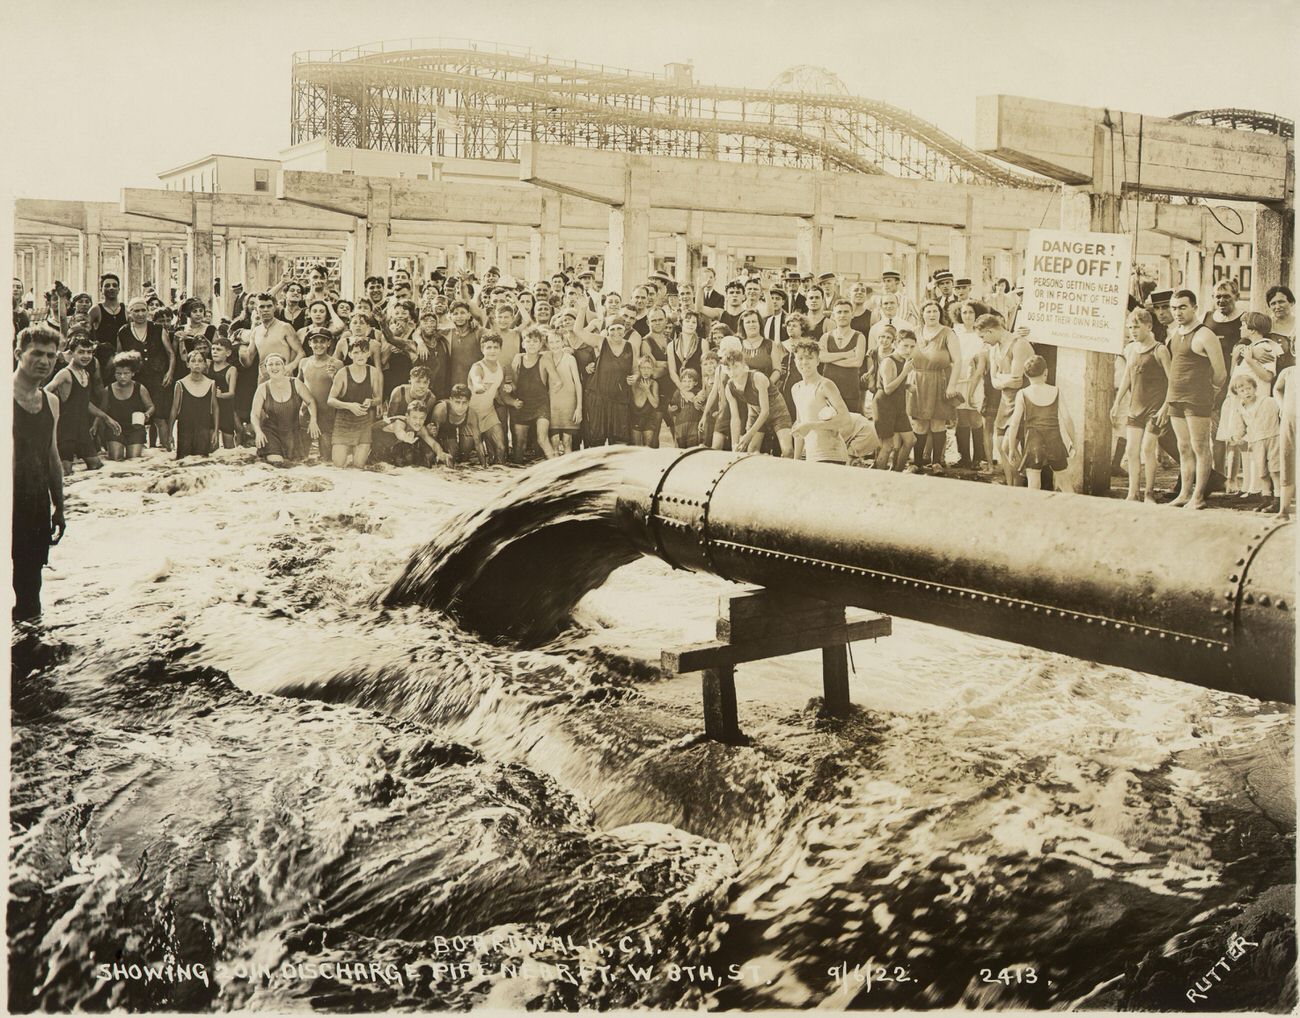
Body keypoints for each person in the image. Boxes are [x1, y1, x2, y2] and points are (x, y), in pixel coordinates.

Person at [13, 326, 66, 621]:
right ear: (19, 354)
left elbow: (52, 456)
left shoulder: (51, 402)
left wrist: (59, 505)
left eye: (51, 355)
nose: (44, 361)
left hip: (35, 505)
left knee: (30, 589)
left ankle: (31, 654)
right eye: (37, 354)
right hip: (7, 502)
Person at [1159, 289, 1228, 510]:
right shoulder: (1174, 334)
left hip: (1197, 399)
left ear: (1194, 307)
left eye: (1182, 307)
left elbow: (1221, 373)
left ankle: (1198, 497)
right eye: (1174, 308)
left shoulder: (1204, 334)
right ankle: (1184, 494)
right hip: (1176, 398)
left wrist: (1211, 394)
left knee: (1200, 447)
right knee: (1183, 448)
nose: (1177, 312)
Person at [1112, 309, 1171, 502]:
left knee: (1147, 448)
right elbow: (1127, 378)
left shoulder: (1160, 350)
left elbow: (1172, 381)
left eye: (1136, 327)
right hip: (1135, 407)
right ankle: (1133, 491)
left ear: (1149, 326)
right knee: (1131, 450)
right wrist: (1117, 402)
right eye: (1130, 328)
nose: (1133, 331)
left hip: (1154, 407)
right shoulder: (1130, 349)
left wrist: (1166, 407)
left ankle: (1149, 492)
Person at [978, 312, 1036, 487]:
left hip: (1022, 402)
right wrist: (1004, 379)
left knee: (1008, 447)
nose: (983, 341)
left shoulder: (1019, 344)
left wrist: (1001, 379)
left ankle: (1022, 485)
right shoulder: (994, 348)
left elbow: (1017, 380)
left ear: (990, 331)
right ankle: (1011, 485)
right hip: (1005, 401)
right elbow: (994, 381)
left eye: (983, 336)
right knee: (1000, 446)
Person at [44, 332, 116, 472]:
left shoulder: (86, 374)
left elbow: (84, 403)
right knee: (65, 473)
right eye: (81, 352)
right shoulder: (65, 373)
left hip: (82, 430)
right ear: (71, 353)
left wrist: (106, 417)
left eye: (89, 352)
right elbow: (45, 392)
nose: (86, 356)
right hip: (65, 431)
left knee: (97, 467)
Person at [907, 301, 963, 473]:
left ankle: (937, 462)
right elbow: (905, 356)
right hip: (918, 382)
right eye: (928, 311)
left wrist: (952, 385)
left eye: (935, 311)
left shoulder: (948, 333)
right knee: (919, 425)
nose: (932, 315)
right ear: (922, 314)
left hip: (940, 381)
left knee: (938, 424)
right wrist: (907, 381)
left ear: (940, 314)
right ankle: (917, 462)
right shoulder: (915, 332)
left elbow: (958, 360)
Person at [1005, 355, 1075, 490]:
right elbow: (1067, 419)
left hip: (1033, 442)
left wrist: (1012, 447)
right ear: (1046, 372)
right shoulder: (1056, 391)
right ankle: (1074, 509)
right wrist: (1073, 440)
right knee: (1064, 480)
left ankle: (1033, 510)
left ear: (1026, 375)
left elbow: (1014, 424)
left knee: (1033, 483)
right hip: (1054, 441)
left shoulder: (1023, 394)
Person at [251, 352, 319, 465]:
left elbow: (311, 401)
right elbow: (254, 414)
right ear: (266, 368)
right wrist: (258, 432)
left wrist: (313, 420)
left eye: (278, 364)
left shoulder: (295, 383)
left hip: (293, 433)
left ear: (284, 366)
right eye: (270, 364)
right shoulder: (262, 388)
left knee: (297, 466)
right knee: (277, 463)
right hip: (271, 433)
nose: (274, 367)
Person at [722, 347, 793, 456]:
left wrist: (748, 435)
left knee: (787, 450)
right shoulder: (729, 388)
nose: (732, 371)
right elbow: (735, 418)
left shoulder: (757, 378)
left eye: (735, 366)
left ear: (744, 366)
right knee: (752, 451)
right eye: (729, 368)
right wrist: (734, 444)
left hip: (777, 411)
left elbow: (765, 412)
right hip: (755, 412)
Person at [790, 338, 851, 464]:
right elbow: (800, 425)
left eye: (809, 358)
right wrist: (796, 461)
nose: (804, 362)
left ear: (818, 361)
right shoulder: (796, 388)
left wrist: (810, 425)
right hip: (811, 457)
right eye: (800, 358)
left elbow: (845, 419)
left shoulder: (826, 385)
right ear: (795, 361)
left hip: (832, 455)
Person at [1229, 373, 1281, 511]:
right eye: (1242, 390)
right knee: (1262, 472)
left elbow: (1282, 414)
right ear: (1237, 393)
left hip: (1273, 437)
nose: (1247, 392)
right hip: (1256, 442)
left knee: (1275, 470)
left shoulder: (1268, 401)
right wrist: (1236, 437)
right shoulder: (1240, 408)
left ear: (1255, 388)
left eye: (1249, 388)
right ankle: (1266, 498)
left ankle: (1278, 499)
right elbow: (1241, 428)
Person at [328, 337, 382, 468]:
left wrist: (371, 401)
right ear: (350, 354)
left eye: (364, 352)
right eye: (356, 352)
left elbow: (379, 398)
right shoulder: (342, 373)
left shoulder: (373, 372)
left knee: (358, 466)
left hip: (363, 423)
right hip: (343, 422)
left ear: (369, 353)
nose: (360, 356)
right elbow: (330, 400)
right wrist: (349, 406)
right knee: (339, 465)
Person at [581, 319, 636, 447]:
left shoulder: (629, 346)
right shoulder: (601, 341)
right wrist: (583, 308)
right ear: (607, 331)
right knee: (597, 439)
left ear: (624, 329)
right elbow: (578, 331)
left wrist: (635, 376)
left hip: (619, 398)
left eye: (619, 329)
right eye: (612, 329)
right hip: (598, 397)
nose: (616, 332)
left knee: (619, 439)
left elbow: (635, 369)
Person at [872, 327, 916, 471]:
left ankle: (896, 472)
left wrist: (907, 385)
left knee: (910, 440)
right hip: (884, 404)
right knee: (887, 446)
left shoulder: (903, 360)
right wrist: (905, 373)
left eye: (912, 346)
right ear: (896, 344)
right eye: (905, 346)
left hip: (898, 404)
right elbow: (888, 388)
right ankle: (880, 477)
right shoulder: (888, 361)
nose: (909, 350)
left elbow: (896, 383)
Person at [297, 329, 344, 460]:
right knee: (301, 456)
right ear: (310, 343)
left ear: (329, 343)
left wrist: (334, 377)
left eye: (322, 341)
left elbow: (343, 391)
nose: (319, 345)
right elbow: (298, 386)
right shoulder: (304, 362)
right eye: (315, 341)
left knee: (327, 458)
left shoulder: (337, 364)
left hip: (328, 414)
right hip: (307, 412)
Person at [467, 333, 513, 464]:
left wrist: (509, 392)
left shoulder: (501, 367)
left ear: (500, 349)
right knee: (466, 453)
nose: (492, 351)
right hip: (471, 414)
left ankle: (499, 477)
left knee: (501, 448)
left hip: (488, 412)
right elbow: (476, 380)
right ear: (482, 349)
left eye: (495, 347)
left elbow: (501, 392)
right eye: (488, 347)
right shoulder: (477, 367)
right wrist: (478, 386)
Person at [510, 327, 553, 461]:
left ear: (541, 344)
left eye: (535, 341)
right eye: (529, 341)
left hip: (541, 404)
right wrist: (509, 388)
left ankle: (557, 465)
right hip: (522, 404)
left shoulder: (544, 359)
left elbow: (557, 382)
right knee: (519, 447)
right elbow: (515, 384)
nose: (532, 344)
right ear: (523, 344)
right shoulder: (518, 358)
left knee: (542, 439)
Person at [240, 292, 304, 381]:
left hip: (283, 379)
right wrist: (242, 355)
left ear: (274, 307)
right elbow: (248, 362)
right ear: (256, 309)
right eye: (262, 307)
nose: (266, 309)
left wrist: (290, 367)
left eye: (269, 306)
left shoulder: (285, 327)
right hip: (263, 380)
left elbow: (301, 353)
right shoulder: (256, 331)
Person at [103, 352, 154, 460]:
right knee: (115, 460)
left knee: (133, 461)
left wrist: (146, 415)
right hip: (115, 429)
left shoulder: (140, 388)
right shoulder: (108, 390)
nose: (122, 377)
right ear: (114, 373)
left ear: (133, 373)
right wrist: (96, 426)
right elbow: (102, 411)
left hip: (135, 429)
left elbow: (151, 407)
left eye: (126, 373)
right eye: (118, 373)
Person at [819, 299, 867, 414]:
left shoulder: (859, 337)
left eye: (846, 312)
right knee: (829, 423)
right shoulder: (826, 337)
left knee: (850, 424)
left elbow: (857, 362)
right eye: (839, 312)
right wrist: (846, 355)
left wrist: (830, 359)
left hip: (850, 388)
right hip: (829, 388)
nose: (842, 315)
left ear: (852, 315)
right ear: (833, 316)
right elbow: (821, 358)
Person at [170, 350, 219, 459]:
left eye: (200, 361)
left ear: (205, 364)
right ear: (187, 364)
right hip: (185, 429)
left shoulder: (211, 383)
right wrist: (170, 433)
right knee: (183, 461)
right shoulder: (180, 384)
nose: (197, 363)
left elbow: (215, 408)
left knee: (202, 461)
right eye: (193, 361)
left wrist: (215, 430)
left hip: (203, 428)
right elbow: (174, 409)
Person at [541, 329, 581, 455]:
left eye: (557, 341)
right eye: (551, 342)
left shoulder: (570, 359)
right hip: (552, 404)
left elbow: (578, 384)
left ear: (563, 342)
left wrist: (579, 407)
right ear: (547, 344)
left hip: (569, 404)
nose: (555, 345)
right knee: (554, 441)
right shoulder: (545, 358)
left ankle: (568, 472)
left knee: (567, 441)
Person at [428, 384, 482, 466]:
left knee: (458, 456)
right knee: (434, 457)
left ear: (469, 402)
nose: (461, 407)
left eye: (464, 403)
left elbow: (478, 442)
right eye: (457, 402)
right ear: (451, 400)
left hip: (450, 431)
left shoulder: (472, 414)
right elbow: (432, 437)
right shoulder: (441, 410)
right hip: (432, 432)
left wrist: (484, 466)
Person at [379, 399, 437, 467]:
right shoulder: (400, 422)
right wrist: (405, 438)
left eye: (421, 418)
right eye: (414, 418)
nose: (418, 422)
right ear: (407, 416)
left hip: (385, 448)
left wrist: (442, 454)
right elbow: (399, 431)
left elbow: (432, 442)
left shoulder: (420, 427)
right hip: (370, 442)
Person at [209, 337, 239, 448]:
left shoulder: (232, 370)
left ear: (228, 353)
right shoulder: (208, 365)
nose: (215, 352)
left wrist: (221, 395)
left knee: (228, 443)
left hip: (226, 407)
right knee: (212, 443)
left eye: (218, 349)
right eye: (213, 349)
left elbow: (232, 393)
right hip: (211, 409)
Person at [1275, 365, 1294, 518]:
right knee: (1287, 463)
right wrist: (1281, 405)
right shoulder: (1288, 372)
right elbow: (1277, 389)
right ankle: (1284, 510)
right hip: (1289, 422)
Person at [629, 355, 661, 447]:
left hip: (648, 418)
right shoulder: (634, 382)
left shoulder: (654, 384)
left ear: (652, 370)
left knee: (648, 447)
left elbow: (655, 404)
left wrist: (647, 390)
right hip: (635, 417)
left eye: (648, 368)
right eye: (643, 368)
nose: (646, 371)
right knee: (636, 447)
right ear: (639, 369)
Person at [670, 368, 704, 449]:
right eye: (684, 381)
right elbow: (673, 406)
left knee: (692, 448)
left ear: (695, 382)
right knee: (681, 448)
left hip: (693, 425)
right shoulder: (678, 392)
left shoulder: (698, 392)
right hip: (680, 426)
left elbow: (701, 407)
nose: (687, 383)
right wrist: (673, 409)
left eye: (690, 381)